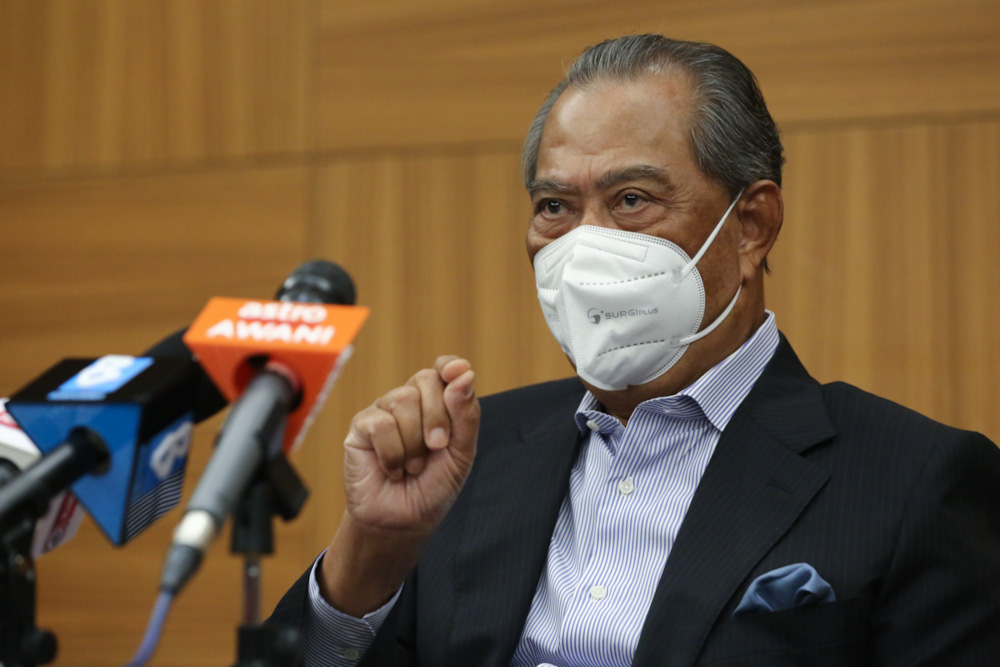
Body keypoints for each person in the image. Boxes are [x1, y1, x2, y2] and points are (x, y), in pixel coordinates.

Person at [268, 35, 1000, 666]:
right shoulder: (463, 457)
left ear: (752, 226)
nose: (585, 244)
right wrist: (368, 559)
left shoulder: (912, 479)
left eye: (631, 200)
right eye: (555, 206)